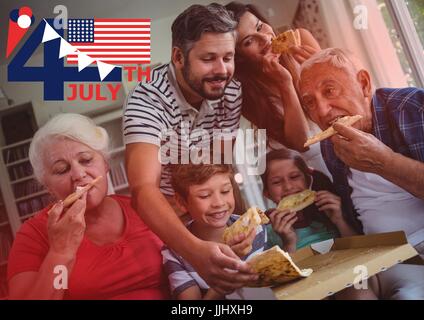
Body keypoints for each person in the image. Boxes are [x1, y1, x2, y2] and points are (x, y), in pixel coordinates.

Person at [123, 3, 257, 295]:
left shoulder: (230, 89)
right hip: (170, 228)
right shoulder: (147, 100)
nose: (222, 70)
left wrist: (224, 225)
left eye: (228, 57)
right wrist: (195, 251)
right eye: (208, 59)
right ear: (178, 56)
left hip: (209, 217)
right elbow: (143, 189)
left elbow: (219, 165)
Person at [299, 47, 424, 299]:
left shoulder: (411, 108)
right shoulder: (329, 144)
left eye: (330, 90)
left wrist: (383, 161)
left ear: (364, 84)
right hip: (377, 254)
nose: (322, 112)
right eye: (310, 102)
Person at [7, 114, 169, 300]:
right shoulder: (34, 235)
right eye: (62, 169)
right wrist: (60, 252)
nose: (78, 174)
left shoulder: (144, 208)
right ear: (48, 187)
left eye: (85, 160)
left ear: (106, 164)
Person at [225, 2, 330, 176]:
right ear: (239, 57)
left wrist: (323, 70)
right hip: (323, 174)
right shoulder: (247, 96)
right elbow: (302, 143)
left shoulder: (301, 39)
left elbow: (342, 100)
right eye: (249, 41)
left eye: (259, 27)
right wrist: (285, 84)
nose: (265, 39)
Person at [261, 148, 378, 299]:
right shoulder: (266, 232)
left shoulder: (327, 210)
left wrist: (340, 220)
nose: (288, 187)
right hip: (308, 287)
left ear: (308, 181)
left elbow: (361, 253)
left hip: (351, 275)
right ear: (267, 193)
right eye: (277, 182)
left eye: (295, 177)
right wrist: (289, 242)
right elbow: (284, 283)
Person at [162, 163, 267, 299]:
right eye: (204, 196)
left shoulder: (254, 229)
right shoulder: (175, 253)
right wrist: (229, 267)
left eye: (225, 191)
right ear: (182, 201)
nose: (218, 203)